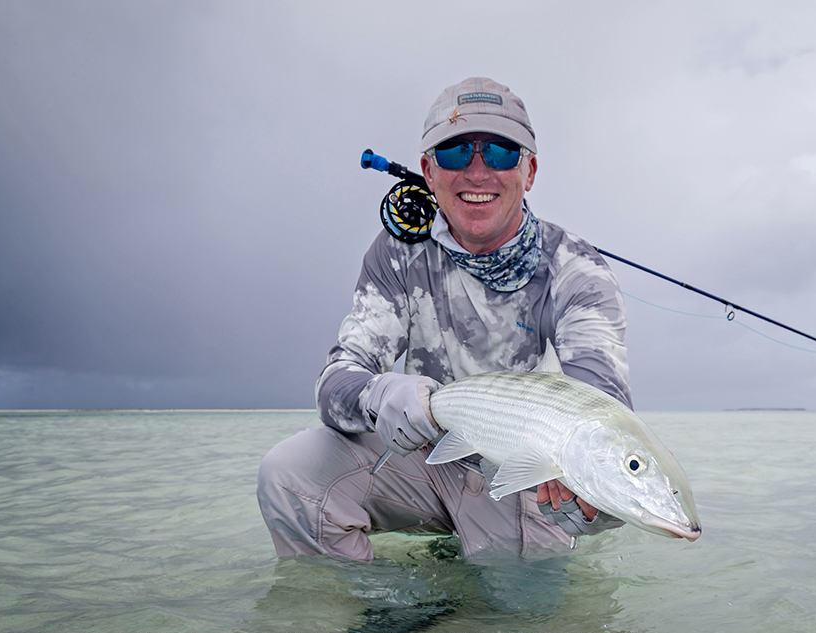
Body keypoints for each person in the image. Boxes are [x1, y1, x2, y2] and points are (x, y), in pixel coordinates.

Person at [257, 77, 633, 563]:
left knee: (523, 620)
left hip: (523, 472)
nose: (477, 173)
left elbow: (605, 408)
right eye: (455, 154)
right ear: (428, 172)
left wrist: (588, 488)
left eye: (499, 154)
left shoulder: (576, 269)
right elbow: (336, 382)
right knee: (289, 475)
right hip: (428, 454)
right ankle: (385, 609)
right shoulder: (397, 253)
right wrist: (379, 395)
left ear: (530, 171)